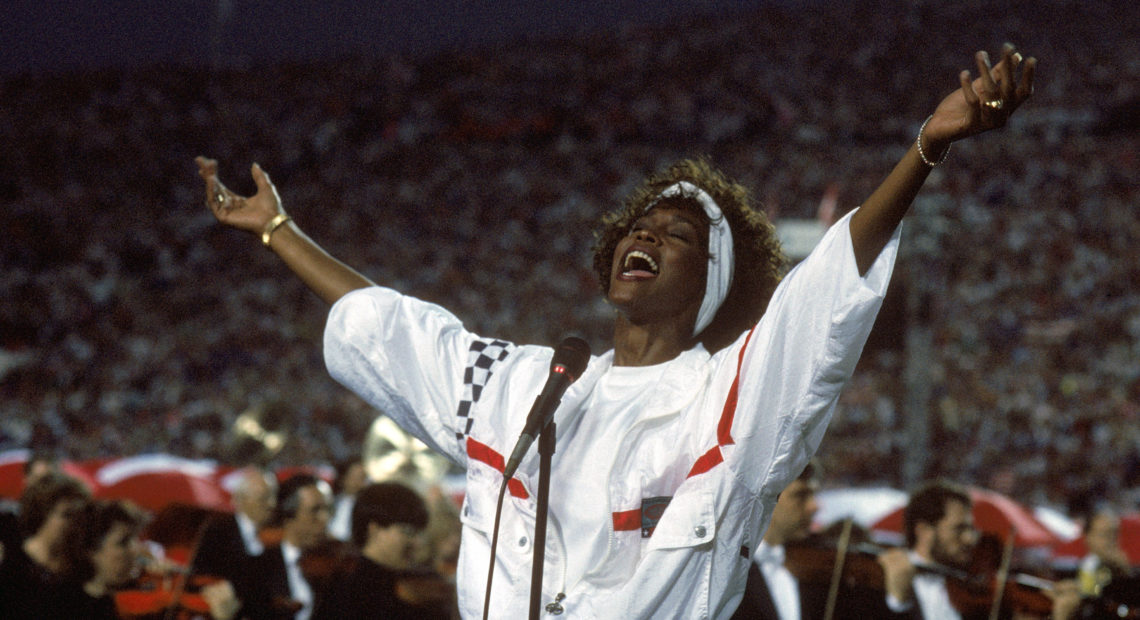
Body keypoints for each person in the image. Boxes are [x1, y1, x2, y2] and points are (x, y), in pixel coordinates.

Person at [196, 44, 1036, 618]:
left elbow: (822, 298)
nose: (649, 236)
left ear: (715, 289)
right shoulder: (531, 384)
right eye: (640, 226)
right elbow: (391, 327)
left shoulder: (731, 398)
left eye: (680, 238)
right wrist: (278, 232)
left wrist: (925, 148)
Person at [731, 460, 913, 620]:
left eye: (813, 495)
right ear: (765, 499)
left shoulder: (820, 571)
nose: (815, 506)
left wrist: (897, 600)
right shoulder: (729, 571)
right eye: (801, 496)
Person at [879, 480, 1080, 620]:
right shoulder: (877, 580)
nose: (970, 539)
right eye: (959, 529)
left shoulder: (974, 594)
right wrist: (898, 602)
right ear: (923, 531)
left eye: (971, 529)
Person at [314, 481, 455, 619]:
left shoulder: (418, 582)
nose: (417, 543)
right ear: (374, 529)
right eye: (407, 532)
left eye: (418, 533)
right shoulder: (345, 588)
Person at [240, 473, 334, 620]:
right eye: (315, 510)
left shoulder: (337, 568)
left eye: (328, 509)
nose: (325, 519)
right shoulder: (256, 569)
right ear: (288, 515)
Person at [0, 471, 91, 619]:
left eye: (80, 516)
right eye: (67, 515)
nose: (76, 523)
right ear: (42, 513)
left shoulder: (80, 568)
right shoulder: (10, 564)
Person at [192, 464, 278, 589]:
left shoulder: (275, 534)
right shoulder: (217, 533)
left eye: (274, 496)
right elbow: (202, 578)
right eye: (264, 498)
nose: (272, 504)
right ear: (241, 500)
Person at [327, 457, 368, 542]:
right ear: (343, 478)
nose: (358, 483)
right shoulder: (331, 501)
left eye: (362, 478)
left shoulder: (366, 507)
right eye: (354, 477)